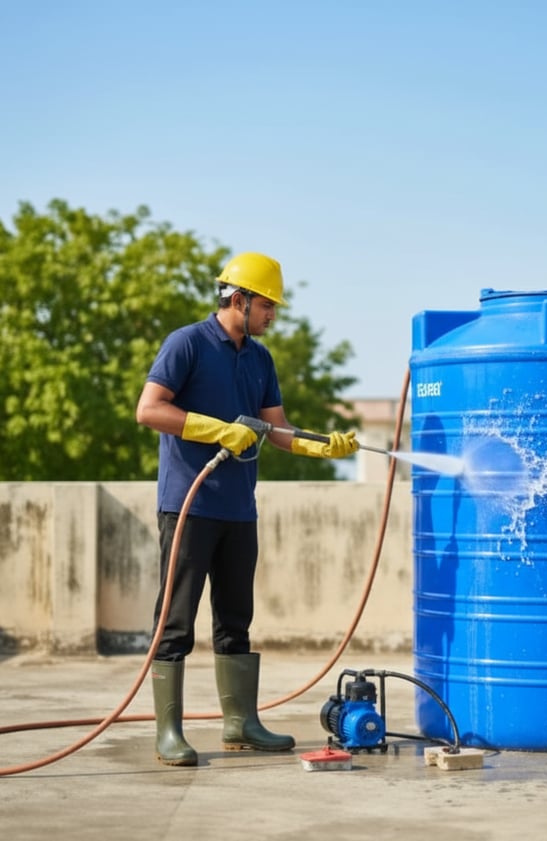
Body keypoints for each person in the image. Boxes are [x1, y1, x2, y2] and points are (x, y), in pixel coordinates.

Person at [135, 251, 358, 766]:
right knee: (175, 622)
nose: (272, 315)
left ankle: (241, 723)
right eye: (267, 305)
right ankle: (169, 733)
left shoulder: (259, 358)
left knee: (235, 619)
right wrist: (217, 430)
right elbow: (149, 409)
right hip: (188, 505)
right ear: (239, 299)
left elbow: (276, 428)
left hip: (239, 509)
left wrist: (322, 445)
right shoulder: (186, 343)